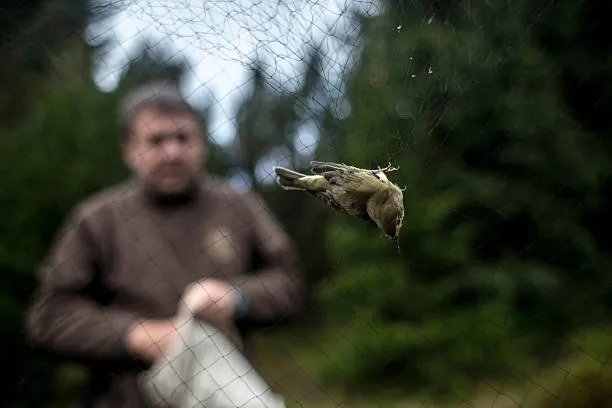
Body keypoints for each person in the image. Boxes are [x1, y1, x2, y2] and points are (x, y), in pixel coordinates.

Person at [24, 80, 305, 408]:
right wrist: (140, 336)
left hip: (221, 388)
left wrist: (235, 299)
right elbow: (49, 316)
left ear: (202, 144)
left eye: (183, 138)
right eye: (156, 141)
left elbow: (290, 283)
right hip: (124, 397)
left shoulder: (238, 205)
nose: (172, 151)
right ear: (129, 149)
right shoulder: (97, 218)